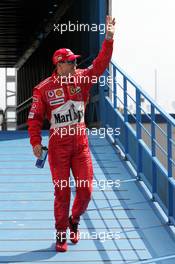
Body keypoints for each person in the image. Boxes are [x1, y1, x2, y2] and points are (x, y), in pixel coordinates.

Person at [27, 15, 115, 252]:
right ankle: (60, 233)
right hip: (58, 148)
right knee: (62, 192)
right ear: (59, 64)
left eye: (76, 62)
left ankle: (74, 220)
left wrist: (108, 38)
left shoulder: (82, 78)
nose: (76, 65)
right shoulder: (43, 89)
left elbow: (100, 64)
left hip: (81, 145)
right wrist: (35, 142)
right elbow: (34, 119)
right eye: (71, 62)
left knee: (86, 190)